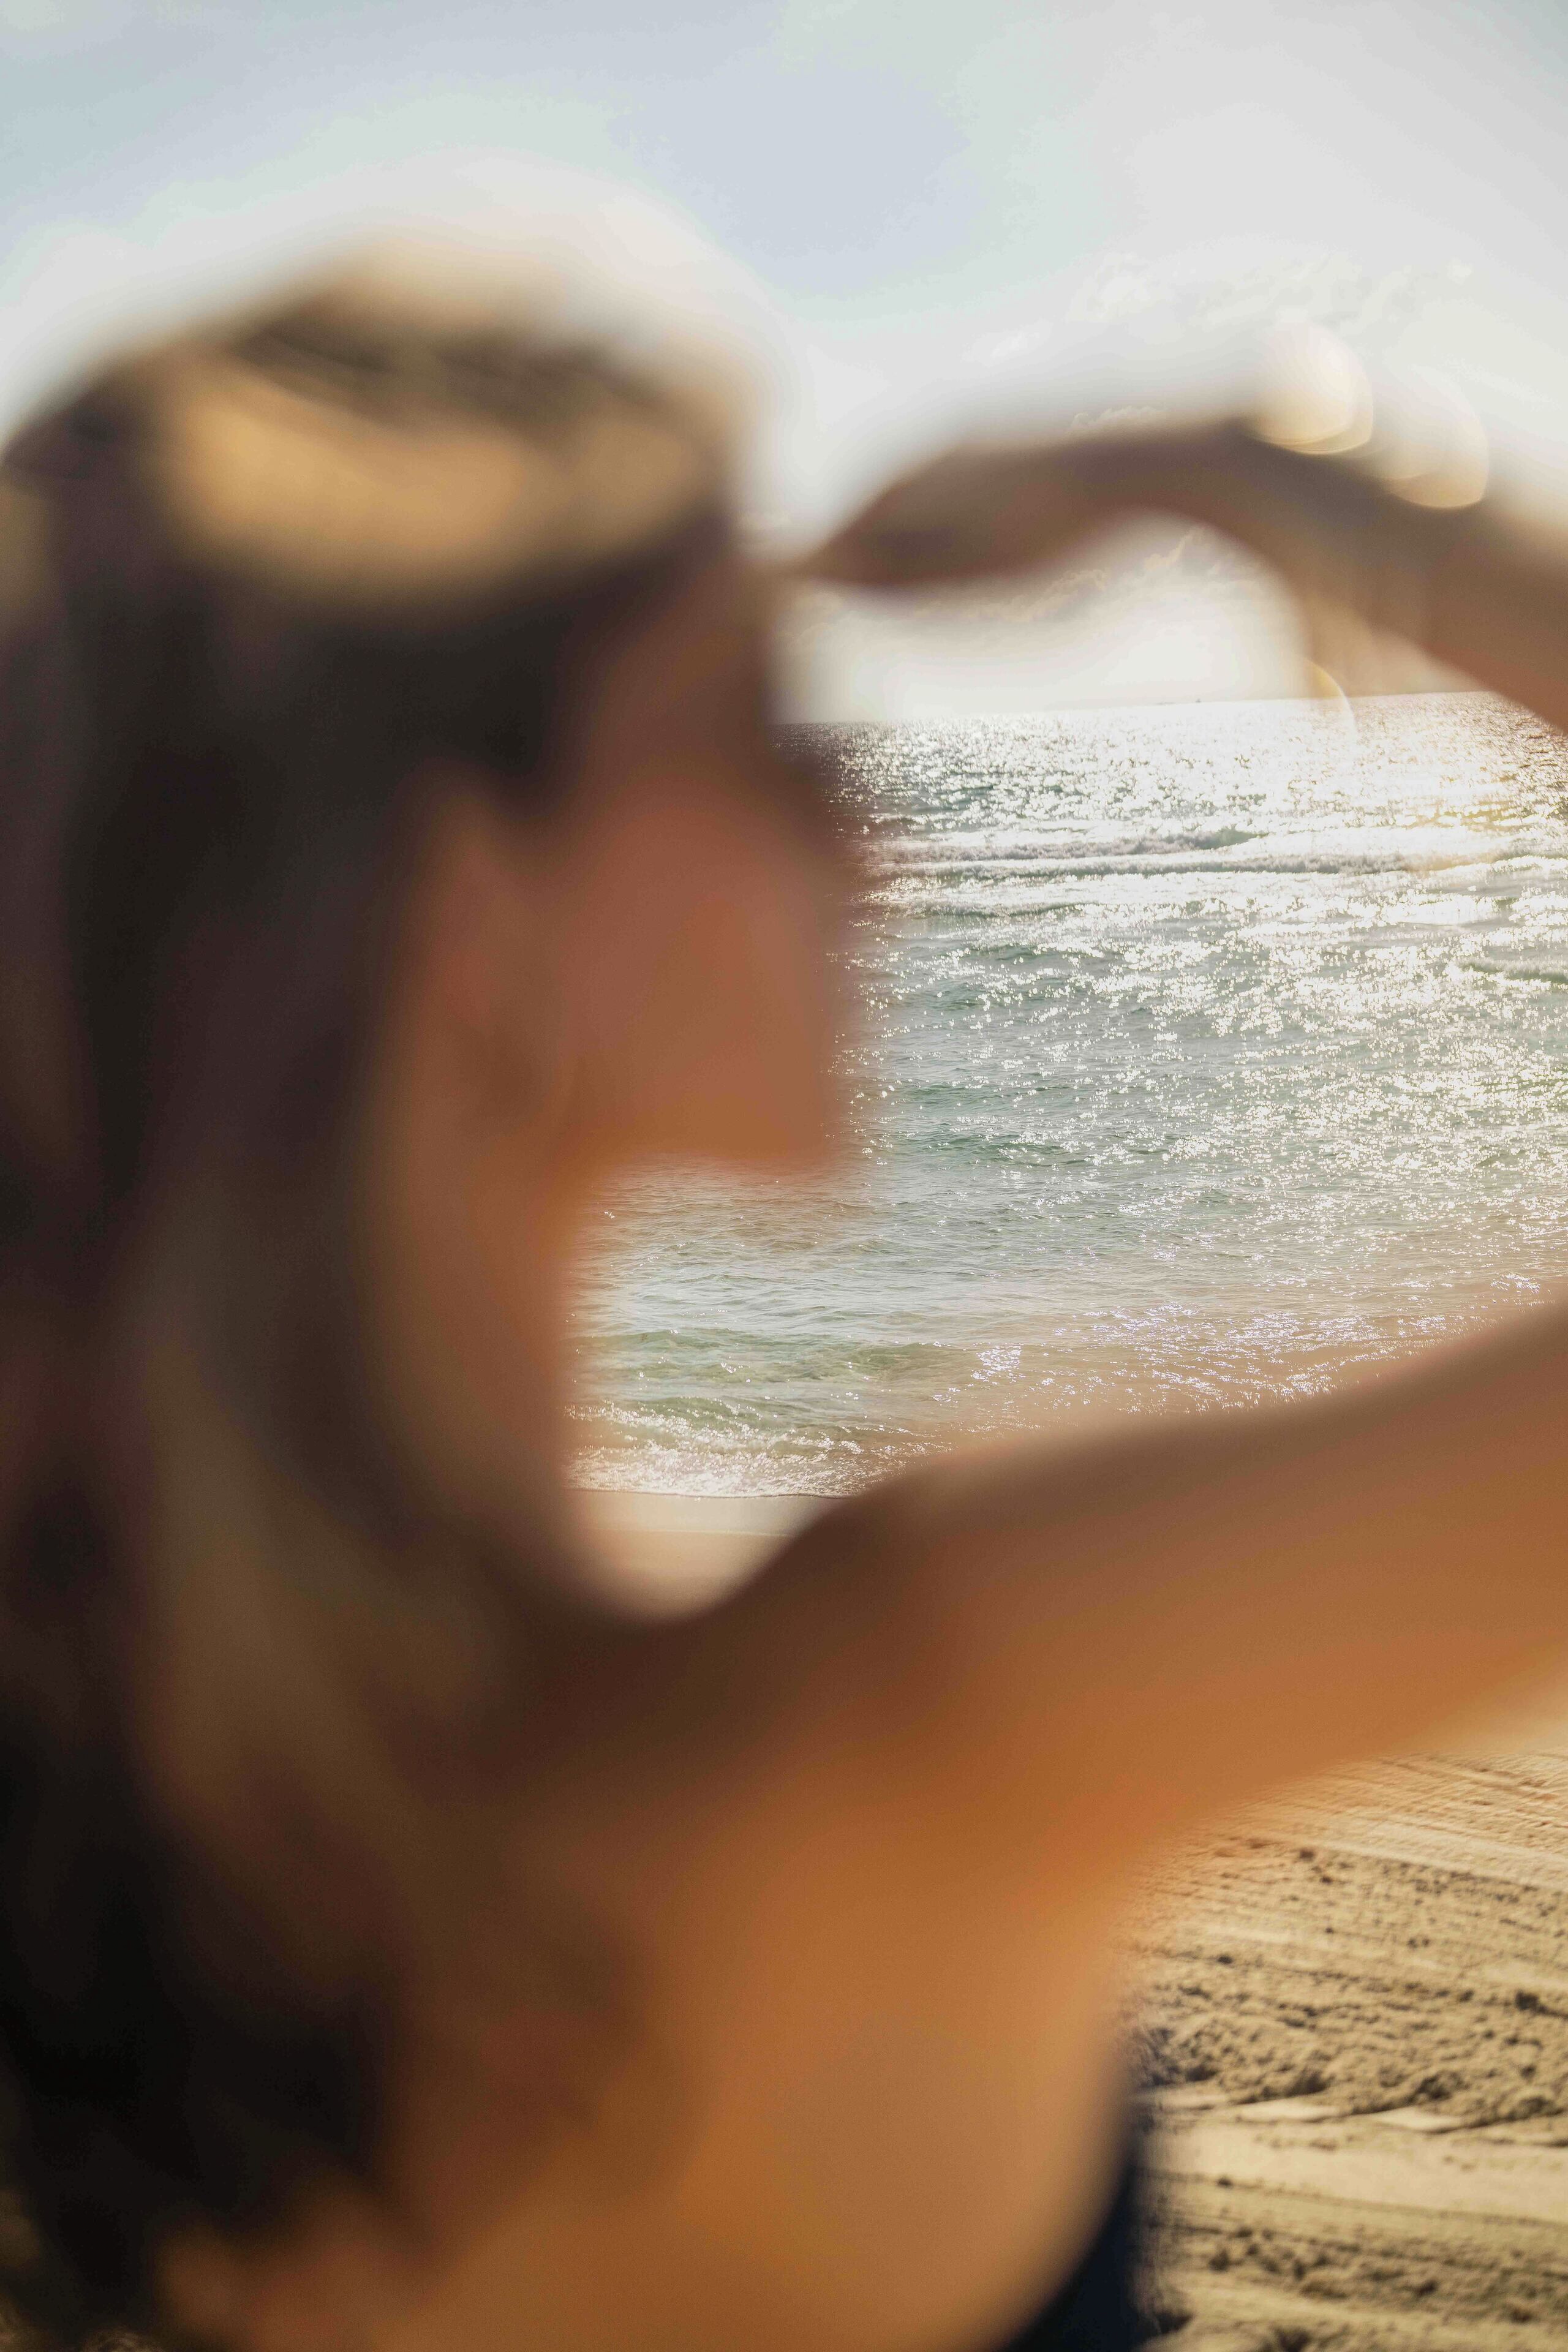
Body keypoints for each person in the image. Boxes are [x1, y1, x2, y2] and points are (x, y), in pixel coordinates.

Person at [2, 243, 1568, 2352]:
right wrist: (1281, 474)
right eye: (762, 727)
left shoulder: (106, 1768)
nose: (882, 836)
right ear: (481, 930)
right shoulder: (911, 1716)